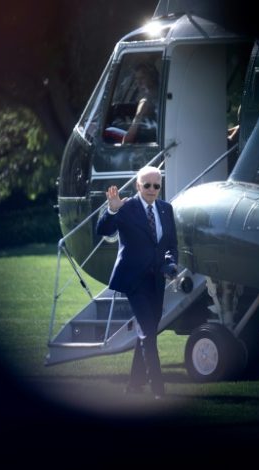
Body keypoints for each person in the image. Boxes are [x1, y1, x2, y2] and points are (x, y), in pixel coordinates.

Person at [96, 166, 178, 399]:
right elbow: (102, 230)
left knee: (148, 330)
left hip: (157, 280)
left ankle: (133, 385)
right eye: (147, 185)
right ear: (137, 186)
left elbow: (171, 245)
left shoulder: (165, 209)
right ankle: (158, 389)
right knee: (148, 333)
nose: (152, 190)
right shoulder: (126, 207)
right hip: (134, 281)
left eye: (156, 185)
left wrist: (170, 264)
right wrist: (111, 210)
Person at [121, 63, 160, 144]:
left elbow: (128, 138)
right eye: (136, 79)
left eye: (142, 78)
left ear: (152, 78)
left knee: (109, 131)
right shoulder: (160, 94)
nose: (138, 82)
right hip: (153, 137)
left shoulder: (145, 102)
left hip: (147, 140)